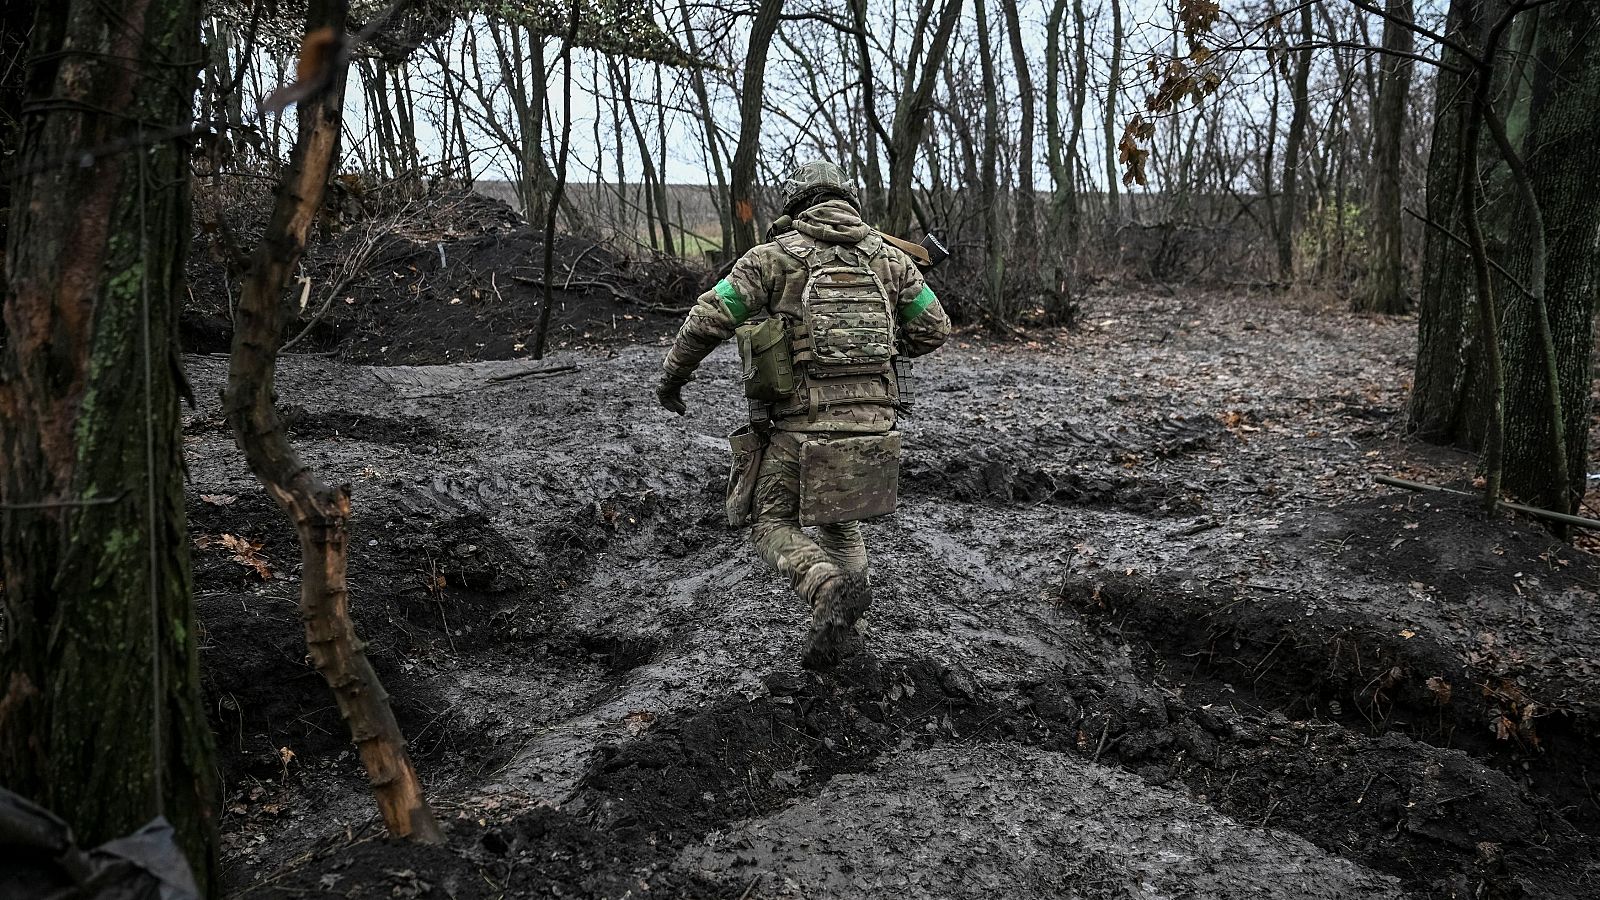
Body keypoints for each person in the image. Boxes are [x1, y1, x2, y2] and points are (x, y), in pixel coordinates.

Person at [654, 160, 951, 669]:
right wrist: (874, 351)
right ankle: (844, 632)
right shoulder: (891, 261)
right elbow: (934, 328)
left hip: (802, 431)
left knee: (769, 525)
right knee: (843, 525)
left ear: (795, 203)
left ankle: (824, 585)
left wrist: (672, 381)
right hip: (877, 427)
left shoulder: (770, 259)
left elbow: (708, 318)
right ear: (846, 200)